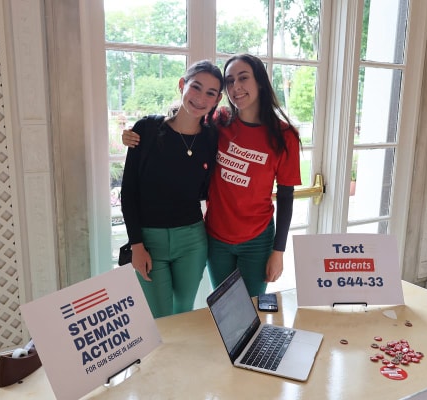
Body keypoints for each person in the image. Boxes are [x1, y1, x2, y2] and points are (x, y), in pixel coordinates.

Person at [123, 54, 301, 297]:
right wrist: (136, 133)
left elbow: (287, 196)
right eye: (230, 81)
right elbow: (185, 119)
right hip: (216, 238)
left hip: (258, 239)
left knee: (251, 307)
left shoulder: (284, 135)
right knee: (225, 306)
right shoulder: (220, 122)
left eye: (243, 78)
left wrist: (279, 251)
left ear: (260, 81)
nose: (236, 87)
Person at [120, 60, 223, 318]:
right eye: (196, 87)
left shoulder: (212, 139)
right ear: (182, 85)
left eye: (210, 93)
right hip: (149, 241)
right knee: (161, 319)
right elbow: (128, 192)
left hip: (192, 241)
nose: (201, 98)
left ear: (217, 99)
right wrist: (136, 245)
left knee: (184, 314)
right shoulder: (146, 130)